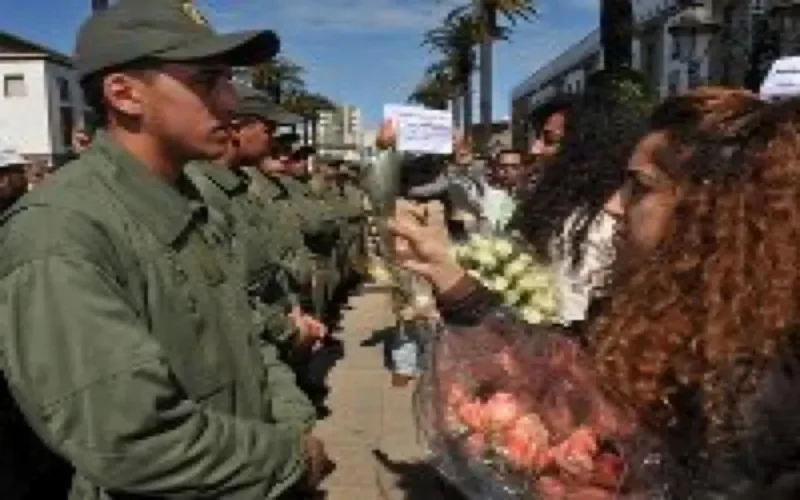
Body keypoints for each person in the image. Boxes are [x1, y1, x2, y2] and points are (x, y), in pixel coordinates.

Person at [390, 88, 800, 497]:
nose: (616, 206)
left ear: (709, 204)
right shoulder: (652, 308)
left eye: (640, 186)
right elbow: (553, 355)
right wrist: (446, 273)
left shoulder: (750, 381)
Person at [0, 1, 332, 498]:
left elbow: (250, 339)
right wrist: (288, 457)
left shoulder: (193, 202)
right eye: (207, 81)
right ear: (124, 94)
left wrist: (293, 426)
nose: (230, 103)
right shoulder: (62, 232)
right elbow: (130, 440)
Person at [509, 96, 649, 326]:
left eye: (549, 140)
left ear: (588, 148)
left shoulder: (624, 215)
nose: (535, 149)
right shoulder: (557, 203)